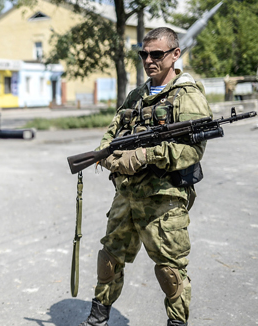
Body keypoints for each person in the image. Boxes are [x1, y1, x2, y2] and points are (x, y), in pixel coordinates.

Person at [79, 27, 212, 326]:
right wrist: (110, 157)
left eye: (157, 54)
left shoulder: (186, 95)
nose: (149, 60)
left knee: (170, 272)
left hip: (163, 199)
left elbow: (192, 150)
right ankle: (97, 317)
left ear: (175, 54)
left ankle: (177, 323)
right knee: (109, 260)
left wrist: (144, 156)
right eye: (144, 54)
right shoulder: (136, 96)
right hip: (126, 196)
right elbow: (111, 136)